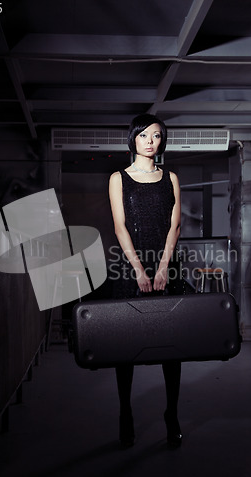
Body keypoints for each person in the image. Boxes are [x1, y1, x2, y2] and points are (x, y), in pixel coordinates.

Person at [108, 113, 185, 448]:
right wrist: (139, 269)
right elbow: (120, 227)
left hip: (167, 266)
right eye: (144, 135)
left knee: (173, 345)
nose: (150, 141)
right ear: (133, 139)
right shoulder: (117, 178)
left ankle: (172, 413)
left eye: (156, 136)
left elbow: (175, 226)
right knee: (127, 346)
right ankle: (125, 413)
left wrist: (164, 265)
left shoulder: (171, 178)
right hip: (130, 267)